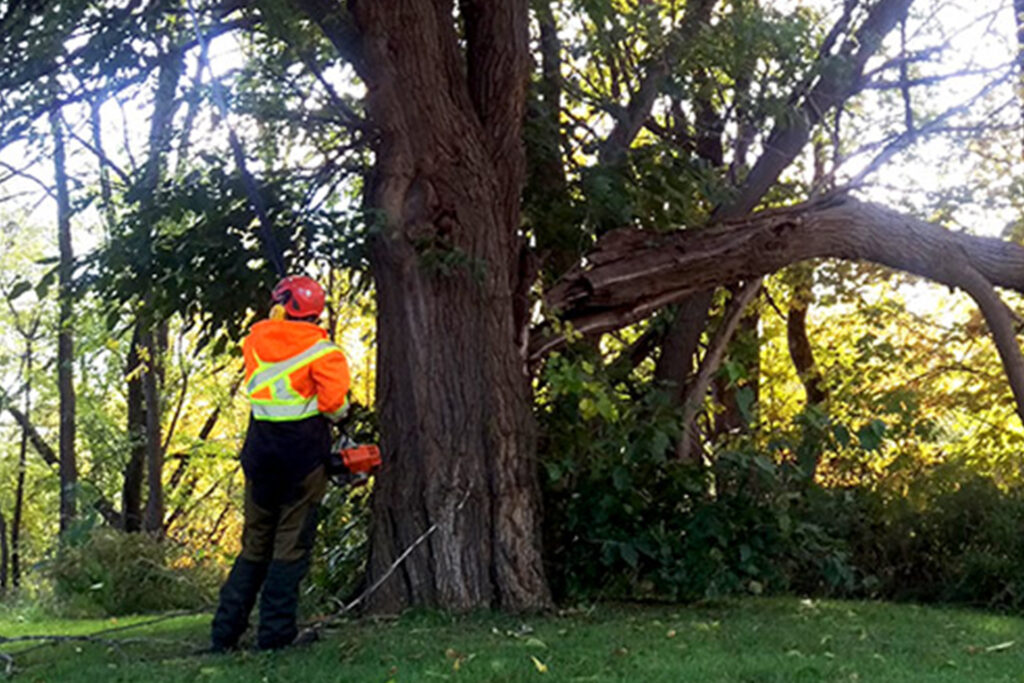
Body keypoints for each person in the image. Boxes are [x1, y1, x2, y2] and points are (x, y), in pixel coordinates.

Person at [211, 275, 350, 651]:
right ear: (316, 311)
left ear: (281, 305)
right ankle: (274, 635)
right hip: (303, 461)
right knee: (290, 547)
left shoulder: (254, 342)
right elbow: (336, 406)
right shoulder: (325, 352)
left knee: (254, 546)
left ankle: (224, 634)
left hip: (259, 457)